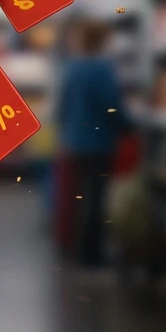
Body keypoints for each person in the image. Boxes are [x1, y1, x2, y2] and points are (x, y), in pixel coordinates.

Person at [56, 18, 130, 269]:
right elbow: (111, 106)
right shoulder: (101, 69)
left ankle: (74, 248)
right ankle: (91, 254)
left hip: (74, 143)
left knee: (77, 198)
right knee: (96, 199)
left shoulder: (71, 69)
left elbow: (62, 108)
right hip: (98, 144)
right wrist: (127, 124)